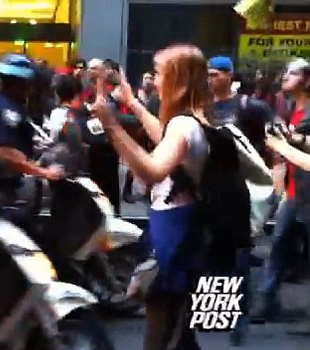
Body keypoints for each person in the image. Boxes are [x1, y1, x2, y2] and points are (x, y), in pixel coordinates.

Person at [92, 44, 209, 350]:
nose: (154, 81)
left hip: (175, 227)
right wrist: (132, 103)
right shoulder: (188, 121)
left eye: (159, 74)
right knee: (175, 323)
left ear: (177, 80)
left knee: (163, 318)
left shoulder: (184, 124)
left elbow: (152, 171)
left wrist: (111, 124)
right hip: (177, 223)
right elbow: (164, 135)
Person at [0, 54, 65, 231]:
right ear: (20, 82)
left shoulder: (7, 105)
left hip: (3, 187)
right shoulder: (6, 110)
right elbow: (4, 151)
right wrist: (42, 171)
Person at [254, 58, 310, 330]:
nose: (285, 76)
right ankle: (267, 300)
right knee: (278, 243)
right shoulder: (287, 108)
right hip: (292, 190)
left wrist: (286, 142)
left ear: (307, 80)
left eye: (292, 73)